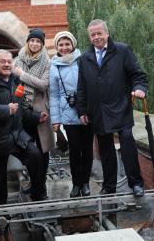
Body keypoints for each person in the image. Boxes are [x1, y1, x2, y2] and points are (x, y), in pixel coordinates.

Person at [76, 19, 148, 198]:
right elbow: (81, 87)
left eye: (99, 33)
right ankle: (109, 187)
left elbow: (137, 75)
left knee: (127, 144)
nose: (96, 37)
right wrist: (82, 110)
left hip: (121, 107)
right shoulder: (84, 58)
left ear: (107, 33)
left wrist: (139, 88)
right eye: (93, 34)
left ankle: (136, 184)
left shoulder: (122, 51)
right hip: (97, 111)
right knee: (106, 151)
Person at [0, 49, 47, 205]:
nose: (6, 64)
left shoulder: (14, 80)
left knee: (35, 157)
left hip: (16, 135)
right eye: (2, 61)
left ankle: (37, 194)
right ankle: (1, 216)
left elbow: (19, 109)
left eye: (9, 61)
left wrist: (36, 117)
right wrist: (5, 110)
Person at [49, 31, 94, 197]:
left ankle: (85, 183)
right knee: (74, 150)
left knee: (87, 149)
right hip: (67, 112)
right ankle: (76, 184)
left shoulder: (83, 60)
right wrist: (56, 120)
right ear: (57, 47)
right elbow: (53, 95)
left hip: (86, 111)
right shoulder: (53, 66)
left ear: (73, 44)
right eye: (61, 44)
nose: (64, 47)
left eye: (67, 44)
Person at [13, 28, 55, 196]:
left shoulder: (47, 62)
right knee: (28, 149)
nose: (35, 44)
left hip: (40, 111)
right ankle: (33, 182)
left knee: (43, 150)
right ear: (28, 42)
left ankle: (41, 186)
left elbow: (43, 84)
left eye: (38, 41)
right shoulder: (18, 59)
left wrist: (22, 75)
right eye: (32, 41)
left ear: (42, 44)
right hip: (22, 110)